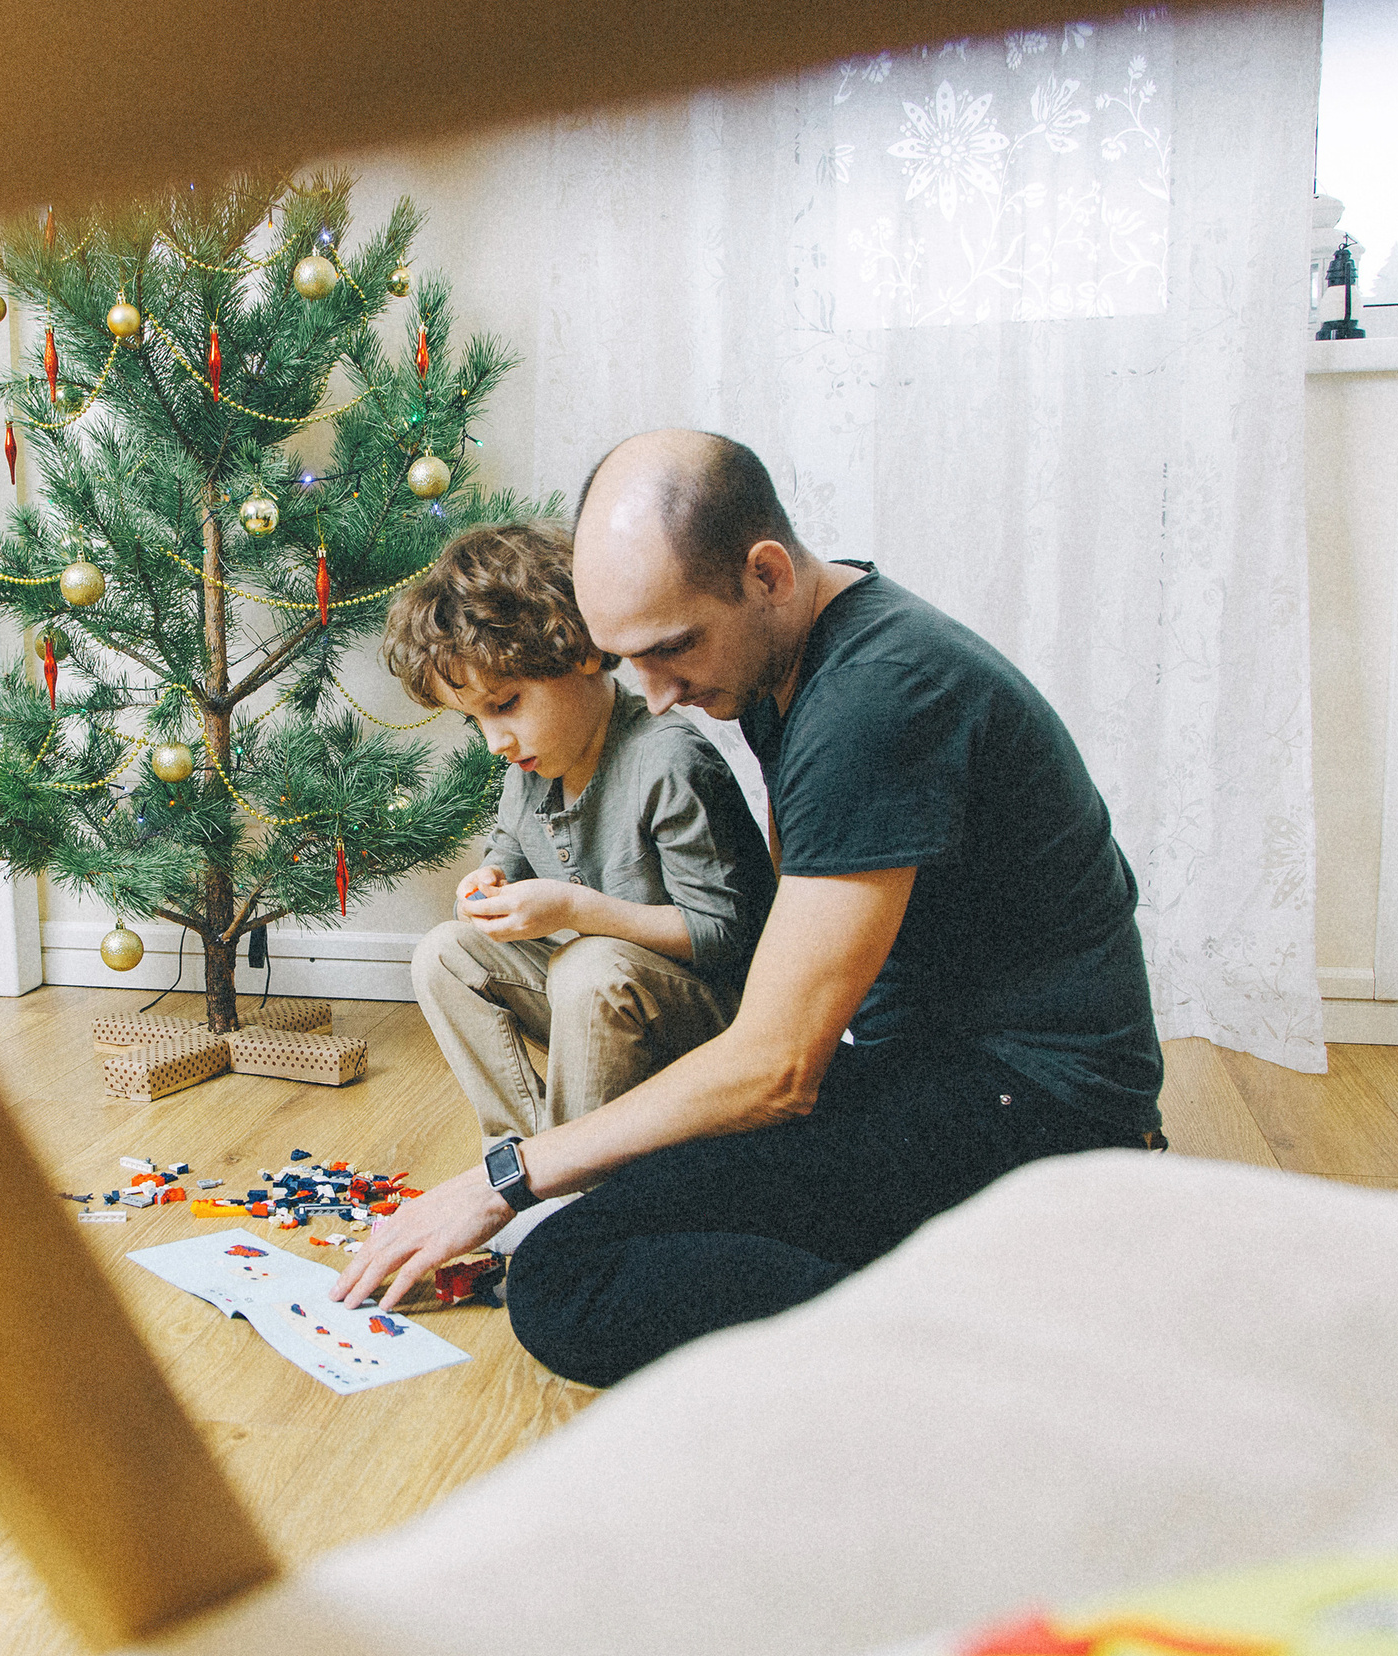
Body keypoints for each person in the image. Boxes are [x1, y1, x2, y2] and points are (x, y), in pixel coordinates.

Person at [334, 431, 1165, 1386]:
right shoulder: (795, 659)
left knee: (568, 1273)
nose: (657, 692)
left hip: (1038, 1113)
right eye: (626, 658)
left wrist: (502, 1179)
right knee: (615, 1210)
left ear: (765, 573)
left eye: (672, 648)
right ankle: (944, 1287)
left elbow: (777, 1068)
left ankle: (972, 1355)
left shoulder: (873, 701)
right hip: (927, 1070)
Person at [382, 522, 776, 1251]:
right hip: (605, 1009)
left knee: (586, 963)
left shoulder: (666, 761)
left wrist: (575, 910)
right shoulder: (529, 765)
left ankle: (581, 1201)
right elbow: (510, 845)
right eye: (476, 721)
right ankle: (523, 1170)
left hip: (711, 1023)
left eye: (505, 704)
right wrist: (488, 878)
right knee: (445, 953)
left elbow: (727, 936)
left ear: (582, 652)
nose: (495, 740)